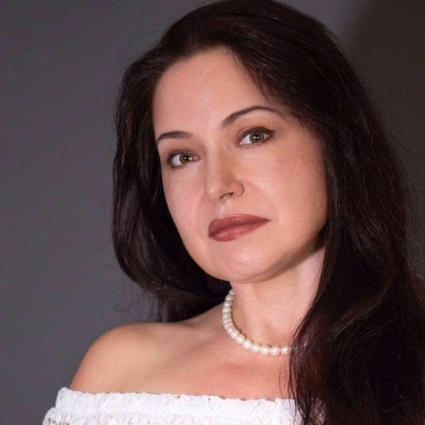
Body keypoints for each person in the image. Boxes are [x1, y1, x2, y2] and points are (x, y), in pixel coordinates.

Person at [42, 0, 425, 424]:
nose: (217, 186)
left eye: (253, 135)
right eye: (183, 157)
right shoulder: (117, 378)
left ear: (335, 142)